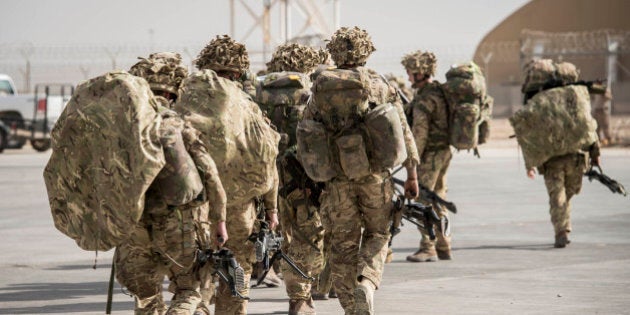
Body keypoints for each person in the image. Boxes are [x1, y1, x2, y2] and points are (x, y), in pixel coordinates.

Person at [301, 26, 419, 315]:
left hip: (336, 180)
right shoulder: (379, 84)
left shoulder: (320, 87)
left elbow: (305, 132)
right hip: (375, 177)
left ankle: (350, 308)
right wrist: (413, 175)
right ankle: (367, 282)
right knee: (379, 233)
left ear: (335, 52)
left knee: (343, 245)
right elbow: (402, 131)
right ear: (366, 51)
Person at [114, 52, 228, 314]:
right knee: (189, 290)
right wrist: (219, 221)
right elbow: (210, 174)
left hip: (134, 224)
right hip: (179, 222)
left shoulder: (123, 129)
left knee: (145, 296)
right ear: (174, 94)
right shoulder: (177, 124)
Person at [194, 35, 279, 315]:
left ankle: (198, 308)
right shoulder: (247, 107)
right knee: (237, 271)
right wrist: (271, 208)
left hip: (199, 206)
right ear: (238, 73)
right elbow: (268, 158)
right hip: (240, 207)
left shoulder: (185, 104)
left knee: (199, 273)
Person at [258, 42, 326, 315]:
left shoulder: (261, 93)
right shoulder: (314, 91)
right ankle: (300, 298)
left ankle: (297, 294)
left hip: (271, 174)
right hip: (305, 177)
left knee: (282, 232)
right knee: (307, 236)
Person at [518, 60, 601, 248]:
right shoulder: (575, 98)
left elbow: (529, 135)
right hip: (574, 158)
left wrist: (529, 164)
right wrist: (595, 153)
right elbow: (589, 126)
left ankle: (562, 226)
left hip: (556, 159)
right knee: (562, 196)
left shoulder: (541, 101)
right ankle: (562, 231)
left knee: (561, 196)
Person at [401, 50, 453, 262]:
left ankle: (428, 246)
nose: (408, 77)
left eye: (410, 73)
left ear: (419, 72)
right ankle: (444, 244)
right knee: (438, 198)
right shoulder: (439, 92)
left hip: (430, 155)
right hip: (443, 152)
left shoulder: (425, 99)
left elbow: (419, 134)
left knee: (422, 199)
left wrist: (411, 162)